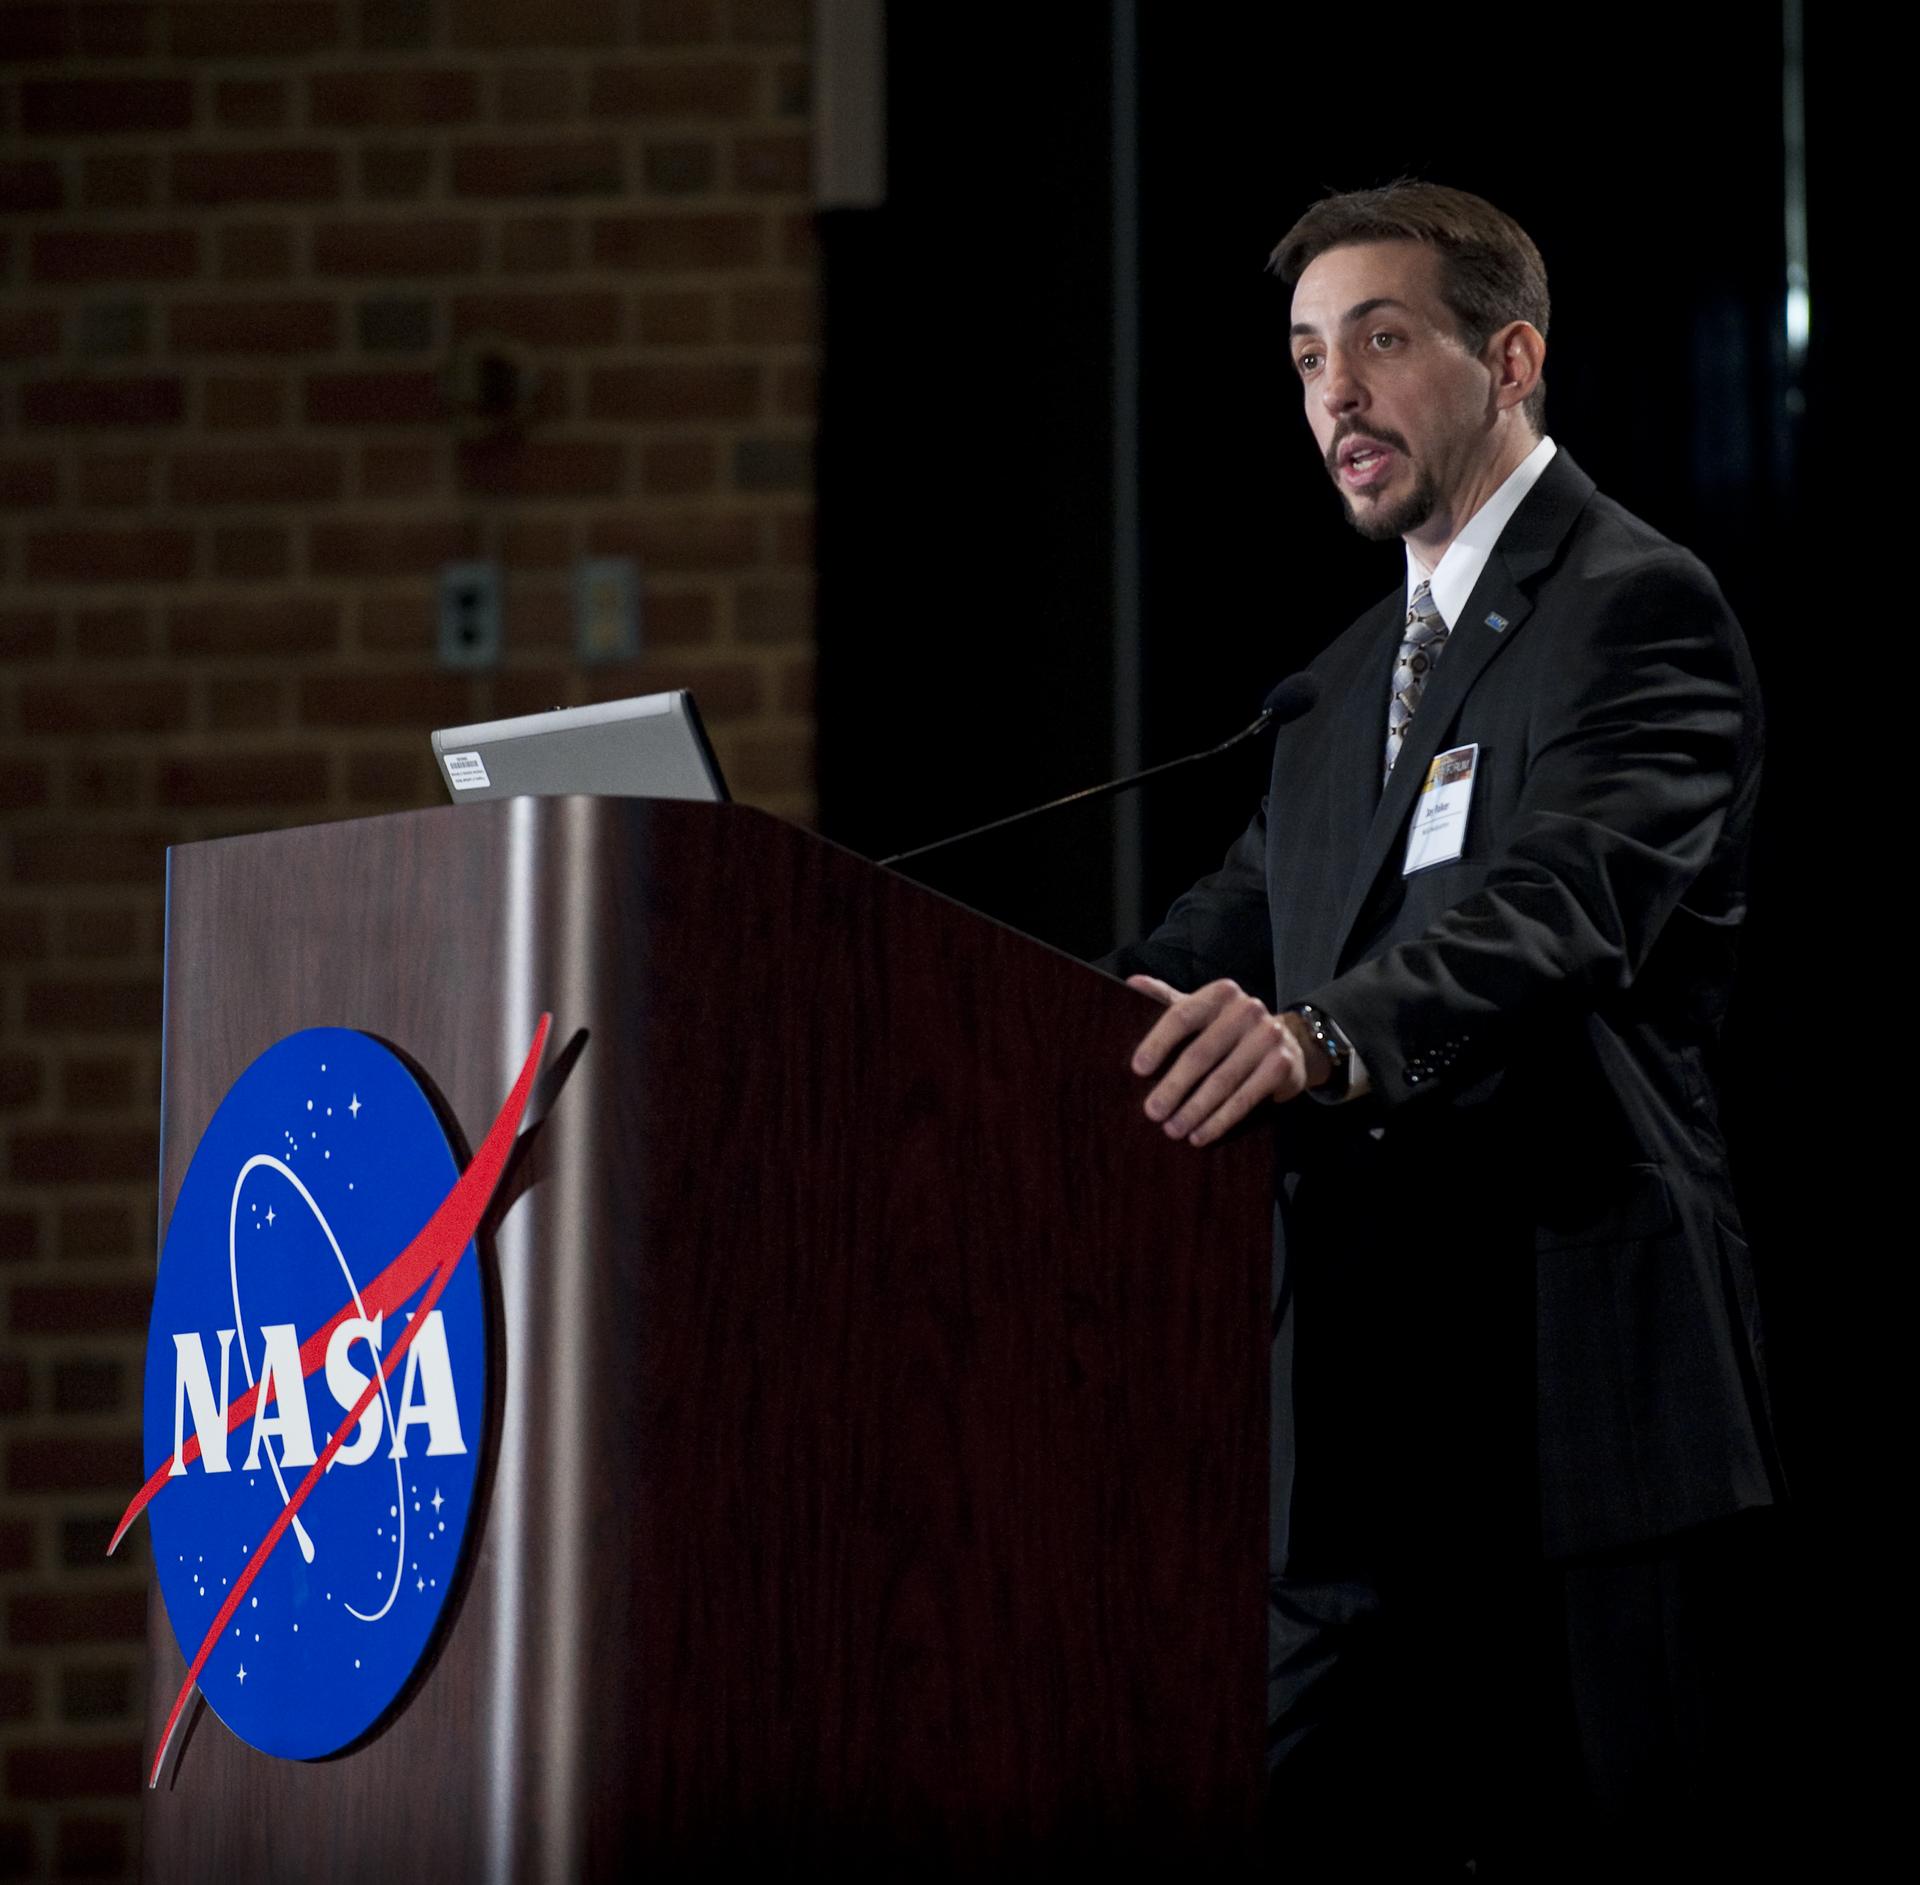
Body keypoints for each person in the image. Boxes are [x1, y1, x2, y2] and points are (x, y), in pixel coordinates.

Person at [1105, 183, 1782, 1876]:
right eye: (1305, 357)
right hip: (1354, 1428)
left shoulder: (1636, 604)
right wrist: (1018, 1027)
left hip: (1573, 1413)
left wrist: (1319, 1038)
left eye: (1382, 340)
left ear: (1513, 360)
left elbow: (1557, 906)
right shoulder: (1341, 685)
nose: (1334, 393)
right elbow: (1217, 930)